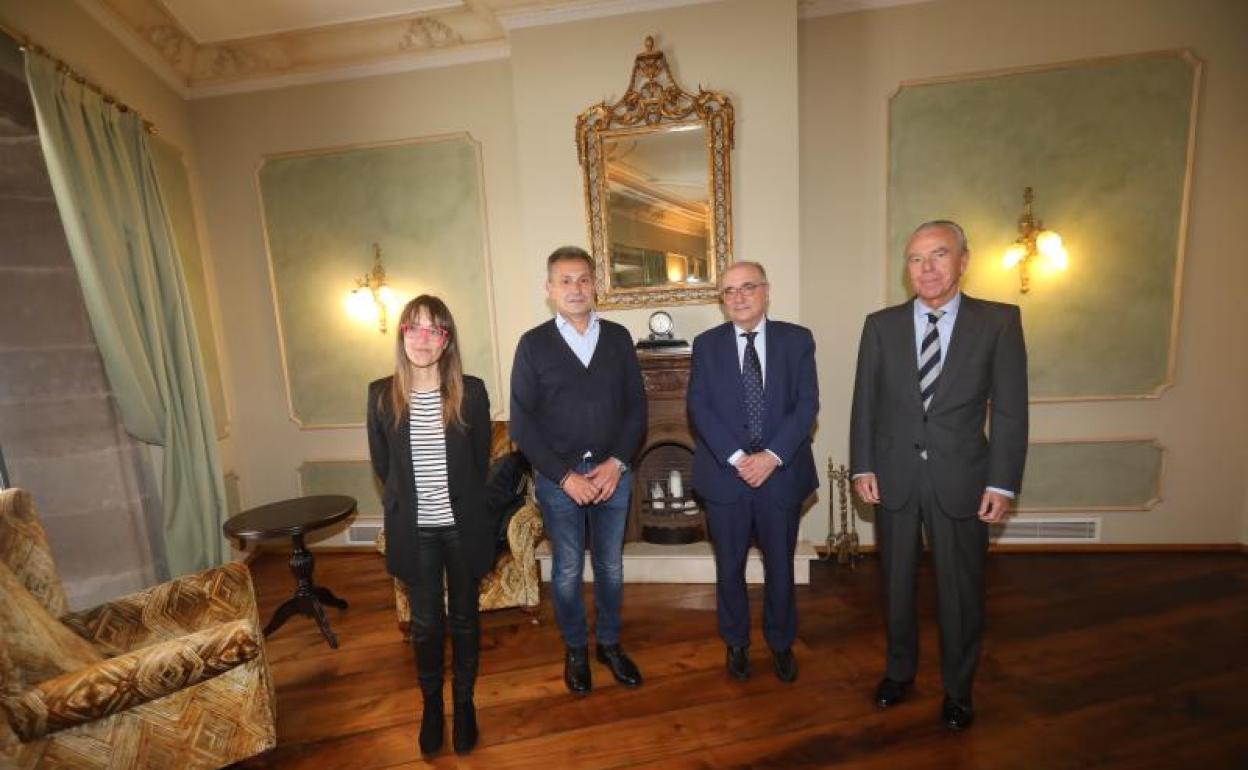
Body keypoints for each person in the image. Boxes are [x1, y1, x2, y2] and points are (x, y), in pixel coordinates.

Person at [849, 220, 1028, 731]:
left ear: (963, 260)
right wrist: (863, 464)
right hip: (895, 478)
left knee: (961, 593)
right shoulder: (880, 326)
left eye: (938, 255)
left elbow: (1012, 411)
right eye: (915, 258)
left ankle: (958, 689)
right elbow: (867, 402)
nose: (926, 268)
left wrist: (1002, 482)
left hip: (964, 482)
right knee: (896, 586)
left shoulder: (998, 322)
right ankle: (899, 673)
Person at [509, 245, 647, 696]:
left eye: (583, 279)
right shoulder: (532, 345)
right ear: (549, 290)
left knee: (610, 565)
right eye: (565, 281)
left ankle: (608, 643)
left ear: (595, 285)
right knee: (567, 569)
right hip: (557, 480)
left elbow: (637, 410)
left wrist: (618, 463)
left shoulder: (620, 338)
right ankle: (574, 648)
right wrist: (564, 477)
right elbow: (522, 422)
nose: (575, 288)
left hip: (614, 474)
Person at [366, 295, 494, 756]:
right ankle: (430, 707)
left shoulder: (472, 392)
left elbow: (479, 463)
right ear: (402, 334)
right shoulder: (380, 395)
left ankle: (464, 704)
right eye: (414, 328)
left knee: (464, 621)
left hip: (462, 527)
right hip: (414, 531)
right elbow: (385, 468)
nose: (423, 339)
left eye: (434, 330)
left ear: (447, 340)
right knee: (425, 627)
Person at [688, 261, 819, 683]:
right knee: (729, 567)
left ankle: (781, 644)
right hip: (726, 477)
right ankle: (737, 643)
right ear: (721, 300)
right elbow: (699, 408)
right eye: (729, 291)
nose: (739, 297)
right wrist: (737, 458)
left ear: (766, 290)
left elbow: (806, 406)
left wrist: (772, 456)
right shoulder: (706, 345)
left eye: (748, 287)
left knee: (780, 566)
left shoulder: (797, 340)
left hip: (780, 475)